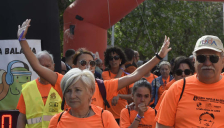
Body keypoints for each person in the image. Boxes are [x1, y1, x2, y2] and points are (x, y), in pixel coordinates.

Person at [17, 19, 169, 110]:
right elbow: (37, 67)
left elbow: (136, 74)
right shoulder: (63, 82)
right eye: (83, 62)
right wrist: (22, 41)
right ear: (75, 66)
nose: (88, 66)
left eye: (92, 63)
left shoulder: (103, 86)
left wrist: (158, 57)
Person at [154, 56, 194, 128]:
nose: (183, 75)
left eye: (187, 72)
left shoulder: (200, 94)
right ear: (174, 74)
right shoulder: (168, 93)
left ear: (192, 73)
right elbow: (157, 123)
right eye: (179, 72)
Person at [102, 47, 133, 123]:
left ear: (120, 60)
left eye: (116, 58)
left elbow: (133, 96)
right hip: (108, 115)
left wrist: (119, 96)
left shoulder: (127, 76)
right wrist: (121, 70)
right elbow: (112, 85)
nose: (113, 60)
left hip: (123, 114)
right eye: (111, 58)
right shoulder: (105, 74)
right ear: (108, 61)